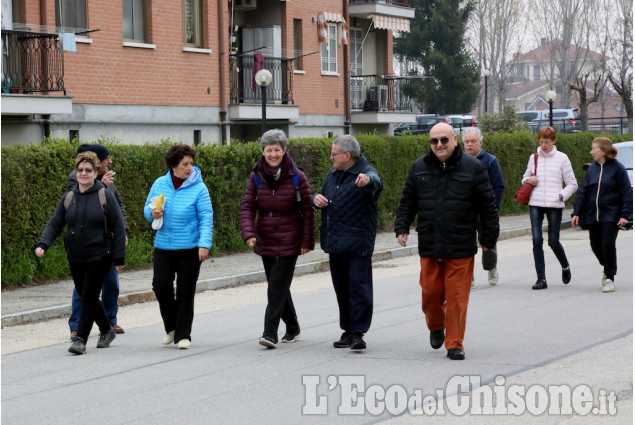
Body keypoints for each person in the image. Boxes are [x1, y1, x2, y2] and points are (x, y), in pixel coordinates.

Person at [395, 123, 499, 360]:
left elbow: (488, 206)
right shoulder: (419, 167)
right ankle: (435, 326)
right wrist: (402, 227)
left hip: (460, 244)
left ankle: (454, 343)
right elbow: (408, 201)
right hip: (430, 243)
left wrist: (488, 238)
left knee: (456, 298)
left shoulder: (473, 168)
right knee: (430, 294)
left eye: (444, 140)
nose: (439, 145)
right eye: (434, 141)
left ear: (455, 140)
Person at [36, 152, 126, 355]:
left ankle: (80, 339)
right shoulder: (69, 197)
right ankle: (106, 330)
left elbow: (118, 227)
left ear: (96, 173)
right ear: (76, 172)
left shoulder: (105, 195)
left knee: (89, 295)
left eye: (88, 170)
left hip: (100, 254)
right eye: (80, 170)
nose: (84, 173)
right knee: (88, 295)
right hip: (75, 255)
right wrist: (43, 244)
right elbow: (56, 222)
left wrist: (119, 257)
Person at [240, 129, 315, 349]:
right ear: (263, 152)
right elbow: (247, 207)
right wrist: (249, 233)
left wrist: (306, 242)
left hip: (291, 238)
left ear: (285, 150)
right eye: (268, 150)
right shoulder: (256, 176)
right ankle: (292, 327)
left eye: (277, 150)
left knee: (275, 287)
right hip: (264, 237)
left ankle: (269, 333)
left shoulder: (296, 177)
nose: (273, 154)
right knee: (279, 286)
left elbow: (308, 211)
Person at [312, 135, 382, 351]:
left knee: (358, 288)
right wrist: (316, 198)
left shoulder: (366, 172)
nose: (331, 157)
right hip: (336, 242)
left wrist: (368, 181)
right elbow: (322, 194)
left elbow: (375, 182)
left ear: (347, 155)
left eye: (334, 154)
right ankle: (347, 330)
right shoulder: (333, 174)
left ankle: (358, 332)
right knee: (342, 288)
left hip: (358, 242)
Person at [144, 144, 213, 350]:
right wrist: (152, 214)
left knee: (185, 291)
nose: (189, 167)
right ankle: (171, 327)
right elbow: (148, 210)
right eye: (185, 164)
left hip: (190, 248)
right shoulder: (159, 184)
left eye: (191, 163)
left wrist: (204, 244)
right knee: (161, 286)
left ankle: (183, 335)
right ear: (173, 165)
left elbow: (206, 217)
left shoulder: (199, 187)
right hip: (164, 246)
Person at [67, 144, 128, 339]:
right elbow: (75, 202)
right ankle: (77, 328)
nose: (109, 162)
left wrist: (123, 232)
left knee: (111, 284)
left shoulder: (108, 183)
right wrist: (102, 184)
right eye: (106, 158)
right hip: (84, 247)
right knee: (84, 289)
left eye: (87, 170)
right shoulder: (75, 179)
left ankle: (109, 322)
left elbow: (119, 208)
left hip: (105, 244)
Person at [571, 137, 632, 293]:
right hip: (593, 215)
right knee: (595, 245)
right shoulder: (592, 169)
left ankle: (610, 277)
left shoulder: (618, 168)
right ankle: (607, 267)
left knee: (607, 244)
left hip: (611, 215)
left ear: (603, 150)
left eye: (594, 148)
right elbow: (583, 191)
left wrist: (626, 215)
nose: (591, 152)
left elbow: (626, 193)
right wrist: (576, 212)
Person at [522, 126, 578, 290]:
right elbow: (525, 177)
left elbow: (572, 183)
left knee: (553, 241)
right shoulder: (534, 157)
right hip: (536, 202)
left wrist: (561, 196)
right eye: (541, 142)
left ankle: (565, 266)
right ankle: (541, 279)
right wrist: (528, 180)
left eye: (547, 142)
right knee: (537, 240)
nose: (543, 145)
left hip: (554, 203)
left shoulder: (562, 158)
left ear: (554, 141)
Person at [462, 127, 505, 287]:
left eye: (473, 141)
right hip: (464, 210)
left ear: (480, 142)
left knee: (488, 243)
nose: (470, 144)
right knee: (465, 243)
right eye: (467, 141)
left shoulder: (490, 161)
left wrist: (493, 208)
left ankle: (491, 267)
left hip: (485, 210)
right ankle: (468, 275)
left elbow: (498, 186)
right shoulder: (458, 161)